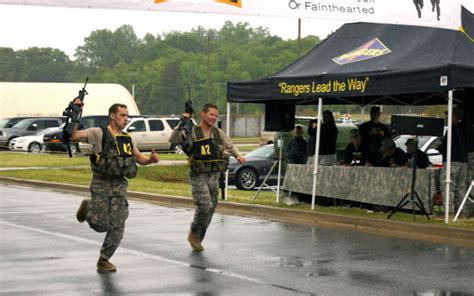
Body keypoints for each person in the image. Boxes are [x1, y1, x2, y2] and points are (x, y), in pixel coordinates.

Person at [71, 103, 159, 273]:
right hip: (101, 185)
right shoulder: (98, 133)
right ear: (112, 116)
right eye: (122, 115)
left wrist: (151, 160)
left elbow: (140, 158)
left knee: (118, 224)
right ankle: (88, 207)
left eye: (127, 116)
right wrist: (76, 113)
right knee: (100, 224)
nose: (125, 119)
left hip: (119, 187)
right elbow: (74, 135)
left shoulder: (127, 138)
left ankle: (104, 260)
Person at [169, 103, 245, 252]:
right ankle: (194, 233)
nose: (214, 118)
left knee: (212, 207)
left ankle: (197, 237)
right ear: (203, 114)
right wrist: (182, 123)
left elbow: (230, 145)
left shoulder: (218, 133)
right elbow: (174, 139)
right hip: (199, 175)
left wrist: (239, 156)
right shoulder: (193, 132)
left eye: (216, 116)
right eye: (211, 115)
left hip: (214, 175)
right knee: (204, 205)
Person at [437, 108, 468, 215]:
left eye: (449, 116)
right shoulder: (464, 129)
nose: (448, 118)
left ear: (455, 117)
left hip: (451, 161)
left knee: (447, 186)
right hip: (463, 162)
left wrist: (439, 148)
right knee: (461, 188)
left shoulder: (451, 130)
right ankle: (462, 212)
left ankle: (449, 212)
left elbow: (446, 147)